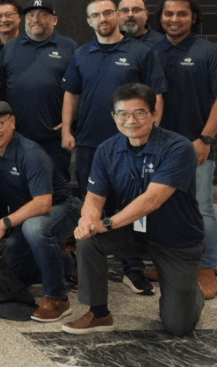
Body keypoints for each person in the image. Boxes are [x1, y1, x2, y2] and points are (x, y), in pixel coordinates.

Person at [64, 83, 204, 336]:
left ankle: (190, 291)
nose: (131, 120)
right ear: (114, 117)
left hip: (176, 238)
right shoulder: (107, 150)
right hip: (133, 232)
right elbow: (94, 198)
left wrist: (106, 224)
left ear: (153, 114)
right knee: (88, 240)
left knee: (177, 325)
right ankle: (99, 313)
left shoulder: (179, 148)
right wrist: (88, 220)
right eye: (123, 114)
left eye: (139, 112)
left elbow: (153, 199)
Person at [152, 0, 217, 300]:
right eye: (168, 14)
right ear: (160, 18)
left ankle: (207, 266)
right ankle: (169, 262)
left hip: (195, 143)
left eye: (181, 14)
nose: (174, 19)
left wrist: (206, 139)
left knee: (201, 207)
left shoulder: (210, 53)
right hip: (158, 146)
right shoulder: (152, 51)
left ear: (193, 17)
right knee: (161, 205)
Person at [0, 100, 79, 322]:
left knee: (34, 228)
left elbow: (43, 203)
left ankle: (58, 298)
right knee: (15, 271)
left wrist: (2, 224)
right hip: (27, 214)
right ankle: (72, 264)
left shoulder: (30, 153)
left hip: (63, 209)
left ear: (13, 123)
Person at [61, 0, 167, 196]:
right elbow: (71, 93)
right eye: (95, 15)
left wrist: (152, 131)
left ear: (117, 16)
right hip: (89, 142)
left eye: (108, 13)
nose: (102, 18)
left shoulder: (141, 53)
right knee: (91, 198)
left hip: (130, 140)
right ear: (89, 21)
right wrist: (66, 130)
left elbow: (157, 95)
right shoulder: (81, 54)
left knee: (131, 201)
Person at [0, 0, 77, 181]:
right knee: (19, 187)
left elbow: (80, 89)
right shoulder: (10, 48)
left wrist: (71, 121)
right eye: (31, 15)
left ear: (54, 20)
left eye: (42, 14)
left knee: (56, 187)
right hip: (17, 136)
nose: (36, 19)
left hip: (54, 137)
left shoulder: (69, 47)